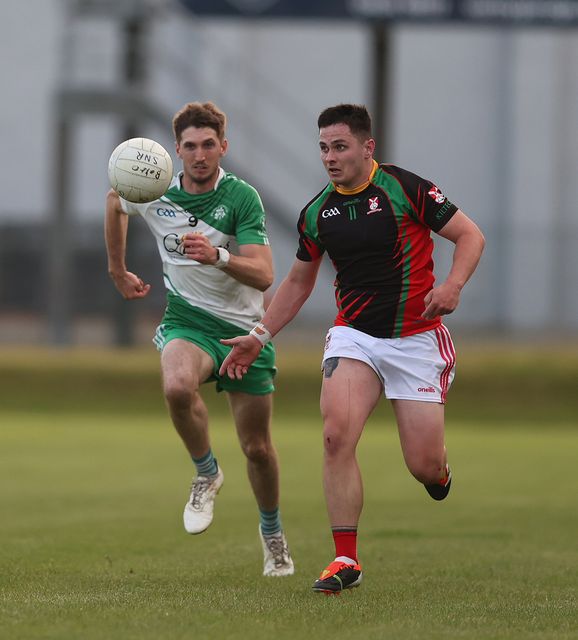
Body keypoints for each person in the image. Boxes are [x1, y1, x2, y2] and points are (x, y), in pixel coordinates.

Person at [218, 103, 485, 594]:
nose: (330, 157)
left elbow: (470, 235)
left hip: (416, 339)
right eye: (323, 148)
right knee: (335, 436)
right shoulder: (318, 212)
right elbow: (299, 282)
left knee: (423, 464)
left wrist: (454, 285)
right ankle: (345, 559)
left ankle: (438, 471)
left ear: (367, 147)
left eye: (339, 147)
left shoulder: (405, 189)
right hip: (354, 336)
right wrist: (258, 337)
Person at [104, 101, 294, 577]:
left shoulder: (242, 197)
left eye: (209, 144)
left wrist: (218, 256)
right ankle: (207, 473)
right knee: (175, 387)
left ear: (222, 147)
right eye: (190, 146)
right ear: (177, 151)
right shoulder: (154, 189)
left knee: (258, 449)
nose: (199, 154)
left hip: (245, 332)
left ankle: (272, 535)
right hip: (188, 321)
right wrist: (117, 270)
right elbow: (114, 201)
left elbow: (266, 274)